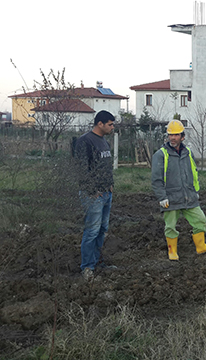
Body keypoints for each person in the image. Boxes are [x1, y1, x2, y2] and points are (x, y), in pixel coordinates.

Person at [151, 119, 206, 261]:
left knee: (200, 220)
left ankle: (201, 246)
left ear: (183, 136)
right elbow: (156, 179)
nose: (173, 138)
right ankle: (172, 251)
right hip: (171, 198)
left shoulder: (188, 153)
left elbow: (193, 173)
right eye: (170, 135)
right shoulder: (161, 155)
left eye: (176, 135)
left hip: (189, 196)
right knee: (170, 226)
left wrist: (195, 191)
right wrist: (162, 197)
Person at [74, 110, 116, 281]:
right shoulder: (85, 141)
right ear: (100, 124)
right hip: (93, 196)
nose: (112, 127)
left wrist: (110, 185)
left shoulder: (103, 142)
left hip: (106, 193)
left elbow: (105, 167)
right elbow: (82, 169)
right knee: (91, 231)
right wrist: (92, 191)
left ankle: (97, 262)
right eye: (110, 124)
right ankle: (87, 268)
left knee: (102, 230)